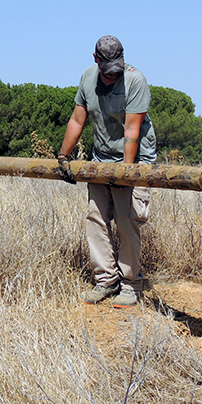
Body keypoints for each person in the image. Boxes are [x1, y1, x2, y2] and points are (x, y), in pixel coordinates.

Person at [57, 36, 156, 308]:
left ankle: (131, 283)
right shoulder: (88, 78)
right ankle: (106, 281)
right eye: (107, 70)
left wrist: (126, 171)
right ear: (95, 59)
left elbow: (131, 129)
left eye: (116, 70)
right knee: (96, 218)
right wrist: (63, 156)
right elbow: (78, 119)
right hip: (101, 158)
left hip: (133, 159)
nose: (112, 75)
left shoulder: (135, 80)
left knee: (126, 220)